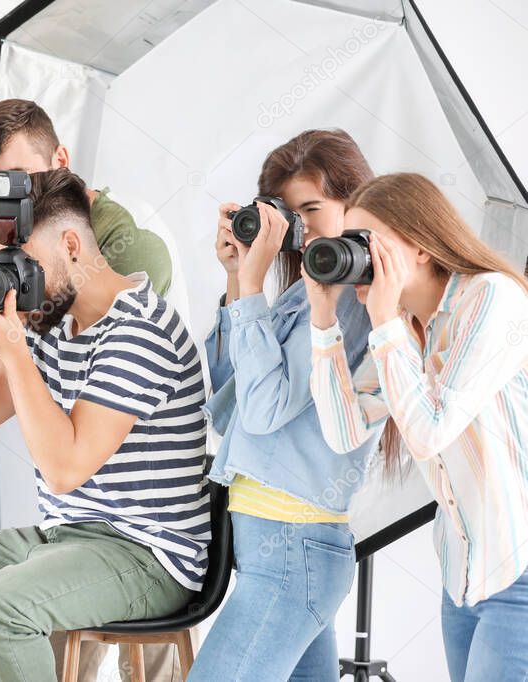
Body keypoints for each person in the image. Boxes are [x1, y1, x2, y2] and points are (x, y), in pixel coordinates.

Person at [0, 168, 209, 682]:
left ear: (72, 244)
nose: (16, 275)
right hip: (62, 537)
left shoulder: (141, 331)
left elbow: (63, 470)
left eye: (26, 261)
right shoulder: (55, 320)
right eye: (7, 261)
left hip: (148, 555)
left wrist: (11, 347)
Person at [307, 172, 528, 682]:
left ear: (423, 246)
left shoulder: (491, 299)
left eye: (369, 244)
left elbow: (431, 430)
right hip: (464, 577)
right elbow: (343, 432)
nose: (360, 259)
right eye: (350, 244)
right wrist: (324, 321)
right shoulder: (404, 331)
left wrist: (383, 320)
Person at [188, 130, 379, 681]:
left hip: (291, 550)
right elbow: (229, 404)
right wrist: (235, 279)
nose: (299, 227)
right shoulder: (303, 291)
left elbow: (266, 410)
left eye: (313, 209)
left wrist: (252, 287)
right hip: (278, 550)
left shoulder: (343, 302)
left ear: (355, 204)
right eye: (287, 212)